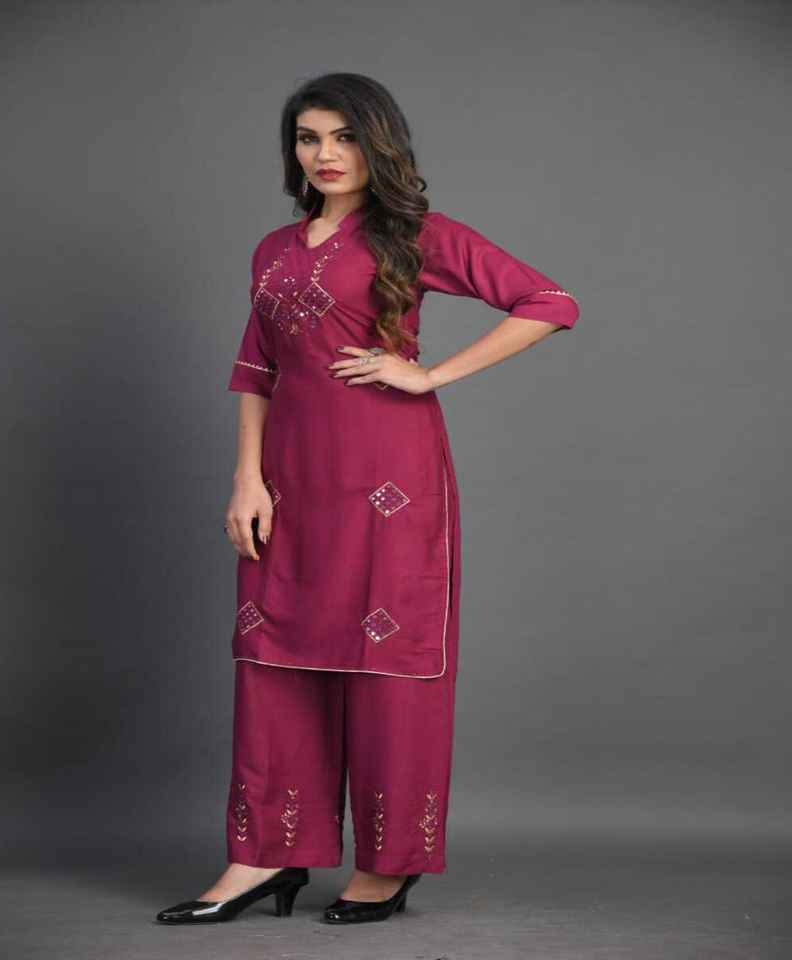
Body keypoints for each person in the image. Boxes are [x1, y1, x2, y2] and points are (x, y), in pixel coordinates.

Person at [156, 71, 579, 926]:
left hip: (391, 479)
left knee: (391, 665)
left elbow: (550, 302)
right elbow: (257, 369)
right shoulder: (273, 250)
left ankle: (387, 865)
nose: (326, 153)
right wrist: (246, 477)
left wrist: (429, 374)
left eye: (345, 136)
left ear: (377, 143)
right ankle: (263, 855)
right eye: (309, 137)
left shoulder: (412, 235)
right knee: (274, 657)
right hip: (290, 481)